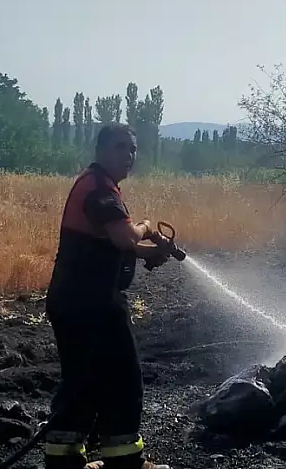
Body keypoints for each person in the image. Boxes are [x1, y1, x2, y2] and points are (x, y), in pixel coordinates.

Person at [44, 123, 173, 469]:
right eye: (120, 148)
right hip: (92, 305)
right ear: (101, 151)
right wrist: (147, 229)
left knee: (82, 382)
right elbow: (126, 239)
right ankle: (125, 461)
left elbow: (118, 242)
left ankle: (64, 459)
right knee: (123, 379)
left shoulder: (100, 186)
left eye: (132, 149)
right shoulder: (99, 189)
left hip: (78, 303)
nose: (129, 156)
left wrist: (147, 250)